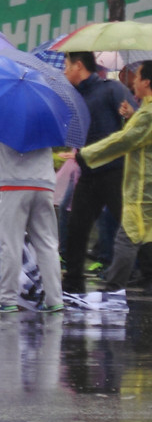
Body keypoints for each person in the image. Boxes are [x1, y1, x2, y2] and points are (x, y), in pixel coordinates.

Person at [62, 51, 136, 297]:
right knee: (77, 228)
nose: (65, 71)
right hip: (89, 173)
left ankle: (143, 273)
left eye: (67, 65)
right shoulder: (75, 97)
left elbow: (134, 125)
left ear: (79, 65)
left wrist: (129, 115)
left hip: (116, 173)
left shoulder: (111, 89)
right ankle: (73, 282)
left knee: (130, 228)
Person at [79, 60, 152, 304]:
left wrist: (86, 154)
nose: (133, 81)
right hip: (142, 188)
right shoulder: (145, 111)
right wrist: (132, 116)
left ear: (147, 83)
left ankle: (113, 292)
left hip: (142, 190)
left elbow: (124, 140)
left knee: (127, 238)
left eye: (138, 76)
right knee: (143, 238)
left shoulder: (148, 113)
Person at [0, 131, 65, 314]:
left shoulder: (0, 115)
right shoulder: (44, 115)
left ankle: (6, 299)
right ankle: (54, 299)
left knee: (11, 244)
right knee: (47, 243)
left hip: (13, 184)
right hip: (43, 184)